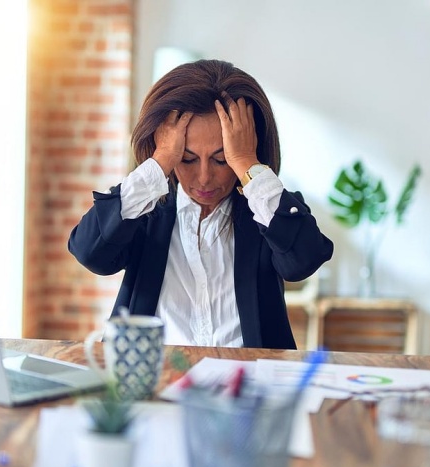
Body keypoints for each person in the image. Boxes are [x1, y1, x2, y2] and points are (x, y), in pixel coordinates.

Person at [68, 59, 333, 349]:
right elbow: (90, 251)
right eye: (187, 158)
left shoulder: (265, 214)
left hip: (250, 384)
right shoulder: (145, 212)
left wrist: (247, 164)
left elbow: (304, 259)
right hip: (155, 382)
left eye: (222, 159)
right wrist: (158, 163)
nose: (204, 178)